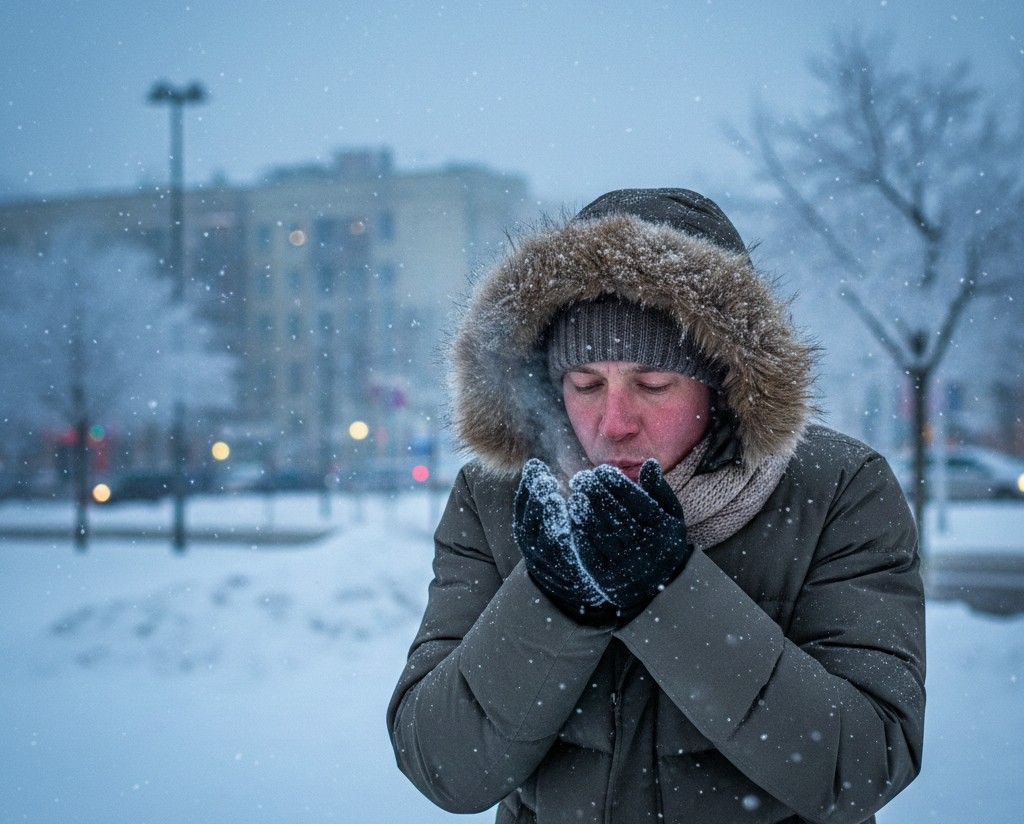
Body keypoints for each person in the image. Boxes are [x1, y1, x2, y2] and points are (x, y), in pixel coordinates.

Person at [387, 188, 925, 824]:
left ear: (723, 386)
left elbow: (861, 767)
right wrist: (554, 602)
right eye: (587, 384)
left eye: (653, 383)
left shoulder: (836, 490)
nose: (615, 422)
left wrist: (669, 593)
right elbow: (442, 766)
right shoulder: (497, 495)